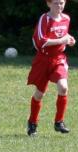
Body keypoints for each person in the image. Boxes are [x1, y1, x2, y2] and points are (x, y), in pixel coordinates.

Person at [26, 0, 75, 136]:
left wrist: (69, 39)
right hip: (43, 59)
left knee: (63, 87)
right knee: (39, 94)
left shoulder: (66, 18)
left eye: (61, 3)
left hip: (59, 58)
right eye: (55, 3)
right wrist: (62, 40)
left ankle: (59, 122)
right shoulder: (45, 18)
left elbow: (64, 36)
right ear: (48, 4)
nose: (59, 6)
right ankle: (32, 123)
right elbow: (41, 41)